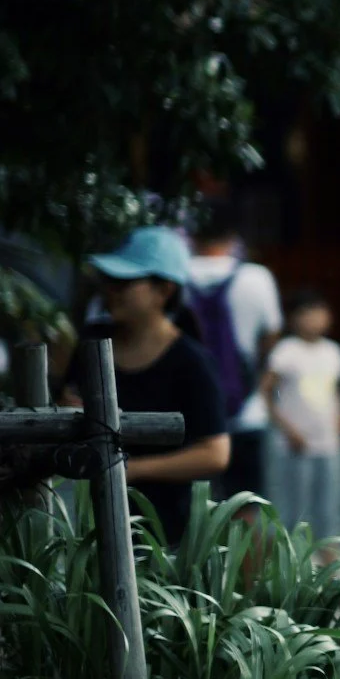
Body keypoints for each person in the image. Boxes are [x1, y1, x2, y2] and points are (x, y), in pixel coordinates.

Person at [63, 227, 230, 547]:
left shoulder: (192, 361)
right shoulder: (93, 340)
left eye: (124, 282)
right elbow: (69, 401)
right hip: (100, 522)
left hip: (176, 535)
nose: (111, 290)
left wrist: (132, 470)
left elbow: (215, 454)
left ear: (163, 290)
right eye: (109, 281)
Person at [185, 215, 282, 504]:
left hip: (188, 412)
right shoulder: (257, 277)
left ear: (191, 238)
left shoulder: (173, 277)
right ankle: (247, 553)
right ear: (233, 238)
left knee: (196, 505)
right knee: (248, 504)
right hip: (246, 409)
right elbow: (271, 337)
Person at [261, 289, 340, 544]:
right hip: (294, 444)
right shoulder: (286, 351)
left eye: (320, 312)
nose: (316, 319)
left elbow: (334, 390)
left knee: (327, 510)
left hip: (328, 443)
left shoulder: (333, 351)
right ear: (295, 318)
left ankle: (329, 569)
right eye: (308, 313)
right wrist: (288, 429)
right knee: (292, 510)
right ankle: (284, 566)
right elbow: (266, 392)